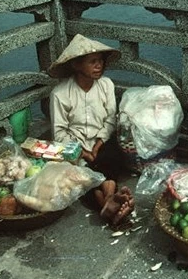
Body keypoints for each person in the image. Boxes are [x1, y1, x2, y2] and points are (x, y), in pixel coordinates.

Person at [48, 33, 134, 226]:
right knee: (79, 172)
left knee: (112, 156)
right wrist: (82, 152)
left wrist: (99, 142)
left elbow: (111, 119)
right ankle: (111, 202)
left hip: (100, 143)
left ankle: (108, 201)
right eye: (92, 61)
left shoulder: (106, 85)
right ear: (76, 65)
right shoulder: (60, 94)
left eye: (101, 61)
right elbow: (60, 132)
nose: (99, 66)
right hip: (74, 147)